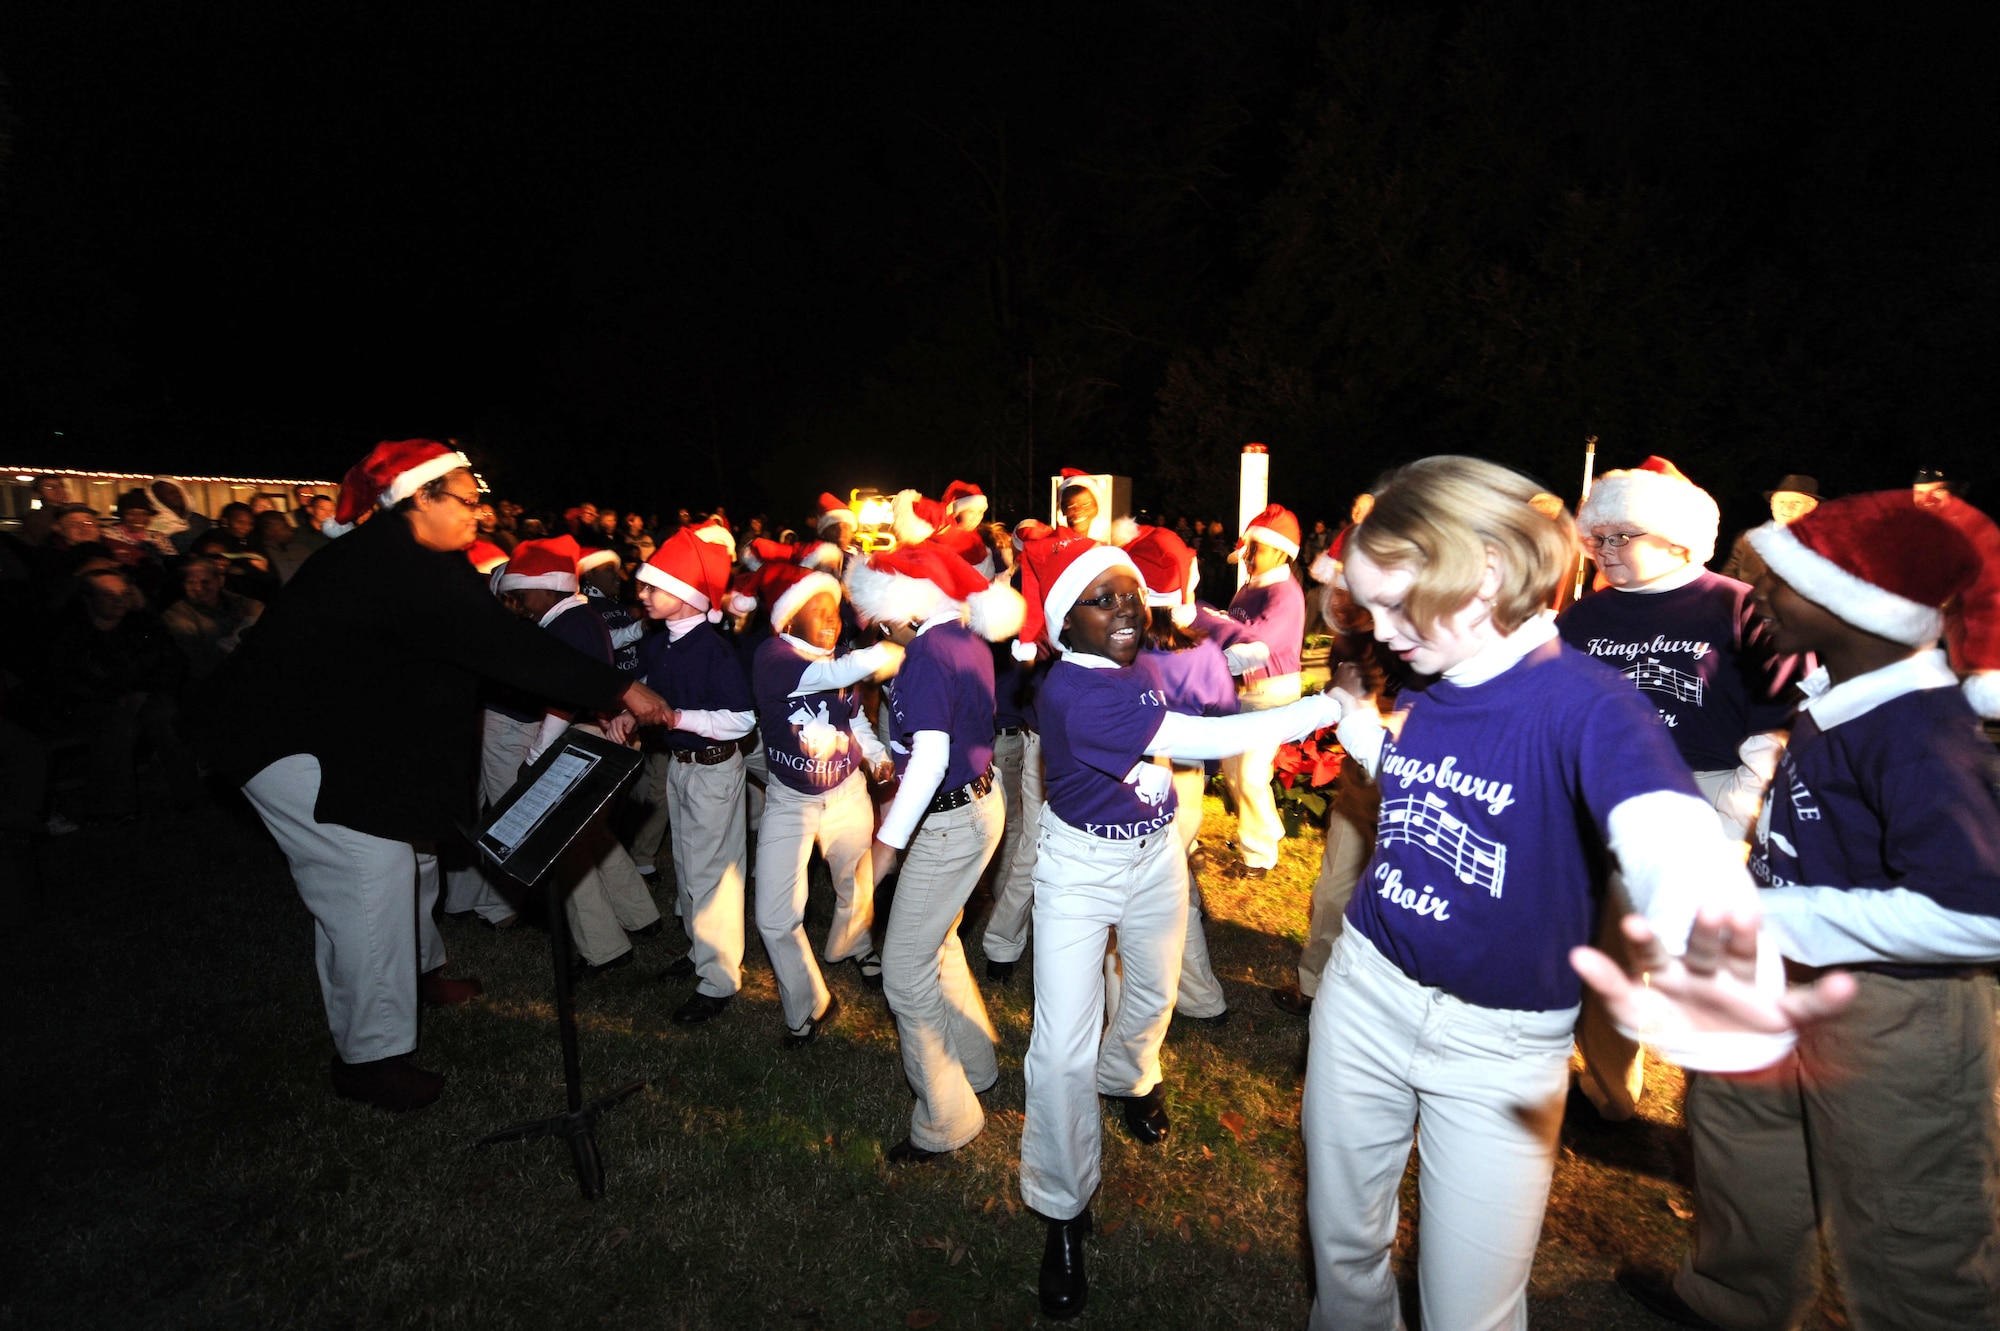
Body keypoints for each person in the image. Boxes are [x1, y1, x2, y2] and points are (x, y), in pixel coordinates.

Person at [1298, 455, 1848, 1331]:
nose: (1386, 632)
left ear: (1484, 572)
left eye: (1399, 605)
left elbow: (1666, 836)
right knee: (1343, 1250)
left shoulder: (1592, 703)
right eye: (1372, 608)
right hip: (1364, 994)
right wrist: (1362, 730)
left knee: (1471, 1310)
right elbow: (1429, 785)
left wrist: (1715, 951)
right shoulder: (1436, 680)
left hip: (1498, 1046)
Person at [1611, 489, 2000, 1331]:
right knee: (1744, 1140)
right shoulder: (1839, 696)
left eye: (1780, 581)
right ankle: (1734, 1298)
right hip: (1778, 976)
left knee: (1907, 1210)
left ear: (1851, 603)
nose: (1755, 595)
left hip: (1892, 1007)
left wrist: (1783, 917)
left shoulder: (1918, 731)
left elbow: (1980, 913)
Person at [187, 440, 673, 1112]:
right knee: (368, 876)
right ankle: (369, 1058)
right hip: (287, 744)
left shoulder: (423, 560)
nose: (480, 512)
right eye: (467, 500)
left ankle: (416, 976)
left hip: (354, 737)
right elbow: (502, 644)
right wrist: (619, 689)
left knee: (414, 858)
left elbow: (471, 644)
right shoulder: (389, 562)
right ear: (420, 497)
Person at [1008, 534, 1343, 1319]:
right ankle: (1062, 1206)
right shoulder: (1073, 691)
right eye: (1103, 599)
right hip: (1081, 870)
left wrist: (1231, 657)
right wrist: (1324, 707)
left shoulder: (1136, 663)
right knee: (1059, 1045)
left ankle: (1129, 1077)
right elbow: (1200, 737)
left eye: (1130, 592)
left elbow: (1189, 679)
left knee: (1154, 991)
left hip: (1154, 854)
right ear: (1066, 622)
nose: (1126, 608)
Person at [1558, 457, 1806, 1119]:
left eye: (1623, 535)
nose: (1606, 550)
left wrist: (1740, 808)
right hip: (1605, 801)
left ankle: (1721, 1111)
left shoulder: (1737, 605)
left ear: (1677, 540)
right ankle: (1610, 1093)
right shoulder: (1581, 618)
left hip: (1708, 799)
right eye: (1597, 537)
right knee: (1606, 957)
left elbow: (1779, 715)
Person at [844, 538, 1025, 1165]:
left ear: (906, 605)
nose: (877, 627)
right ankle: (976, 1064)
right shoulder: (962, 637)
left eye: (880, 616)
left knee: (903, 969)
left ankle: (948, 1117)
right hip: (976, 804)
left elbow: (931, 758)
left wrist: (885, 846)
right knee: (939, 941)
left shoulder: (926, 653)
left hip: (950, 820)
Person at [492, 535, 664, 977]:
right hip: (608, 735)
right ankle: (639, 914)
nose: (519, 602)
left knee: (563, 845)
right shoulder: (584, 615)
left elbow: (561, 702)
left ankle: (604, 949)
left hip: (585, 738)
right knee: (593, 835)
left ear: (547, 586)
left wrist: (535, 758)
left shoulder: (563, 627)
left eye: (522, 592)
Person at [748, 562, 903, 1044]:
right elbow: (833, 674)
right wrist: (894, 646)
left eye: (835, 610)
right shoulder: (773, 657)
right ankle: (809, 1003)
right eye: (819, 610)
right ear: (789, 618)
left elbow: (852, 717)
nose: (833, 620)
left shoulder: (836, 657)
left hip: (845, 792)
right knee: (773, 917)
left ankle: (856, 945)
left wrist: (875, 756)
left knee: (856, 882)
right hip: (791, 800)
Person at [608, 525, 756, 1025]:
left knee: (713, 875)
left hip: (713, 769)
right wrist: (631, 712)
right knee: (688, 866)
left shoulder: (713, 650)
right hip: (681, 766)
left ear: (688, 594)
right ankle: (699, 951)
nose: (642, 594)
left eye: (654, 587)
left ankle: (718, 978)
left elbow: (741, 719)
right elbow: (652, 689)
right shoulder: (661, 641)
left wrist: (675, 719)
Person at [1200, 503, 1308, 880]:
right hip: (1244, 693)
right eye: (1247, 548)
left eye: (1255, 549)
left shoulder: (1285, 594)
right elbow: (1232, 629)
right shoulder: (1250, 587)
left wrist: (1210, 664)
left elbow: (1256, 645)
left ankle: (1259, 855)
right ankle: (1263, 834)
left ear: (1280, 552)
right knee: (1234, 771)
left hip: (1272, 694)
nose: (1247, 556)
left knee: (1249, 773)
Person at [161, 556, 263, 684]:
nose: (198, 588)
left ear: (220, 581)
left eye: (205, 581)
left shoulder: (239, 603)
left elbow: (257, 609)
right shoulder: (177, 617)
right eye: (190, 582)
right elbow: (196, 665)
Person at [1718, 473, 1818, 586]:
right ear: (1772, 505)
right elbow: (1728, 577)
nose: (1786, 507)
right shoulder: (1748, 539)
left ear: (1811, 507)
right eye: (1781, 501)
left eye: (1796, 502)